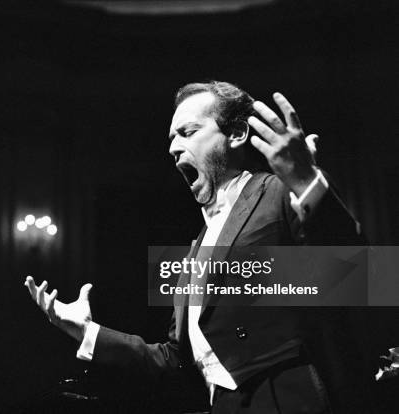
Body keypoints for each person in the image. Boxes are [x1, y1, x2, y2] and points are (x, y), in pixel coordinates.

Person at [24, 81, 369, 413]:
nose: (173, 148)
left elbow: (359, 274)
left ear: (236, 134)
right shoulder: (195, 250)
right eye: (171, 138)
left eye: (187, 133)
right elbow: (177, 359)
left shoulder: (277, 192)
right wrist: (88, 332)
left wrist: (306, 182)